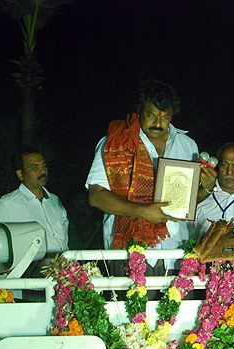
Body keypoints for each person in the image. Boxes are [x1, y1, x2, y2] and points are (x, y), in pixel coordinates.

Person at [86, 79, 216, 273]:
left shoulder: (188, 146)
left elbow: (186, 202)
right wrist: (142, 212)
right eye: (151, 115)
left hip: (177, 249)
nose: (157, 123)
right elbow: (96, 196)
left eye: (165, 117)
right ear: (139, 112)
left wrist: (207, 187)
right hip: (129, 249)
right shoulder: (113, 143)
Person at [0, 146, 69, 254]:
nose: (42, 171)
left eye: (44, 165)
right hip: (32, 265)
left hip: (64, 263)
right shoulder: (7, 205)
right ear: (20, 174)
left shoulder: (55, 201)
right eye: (34, 167)